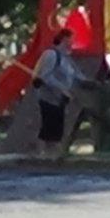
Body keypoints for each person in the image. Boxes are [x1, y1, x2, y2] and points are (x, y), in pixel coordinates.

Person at [32, 28, 95, 158]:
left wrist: (88, 83)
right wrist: (61, 88)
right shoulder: (51, 54)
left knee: (58, 127)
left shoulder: (67, 57)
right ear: (65, 39)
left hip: (60, 99)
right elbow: (46, 76)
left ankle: (53, 154)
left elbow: (75, 74)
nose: (73, 42)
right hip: (49, 97)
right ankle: (43, 154)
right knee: (49, 126)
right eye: (72, 38)